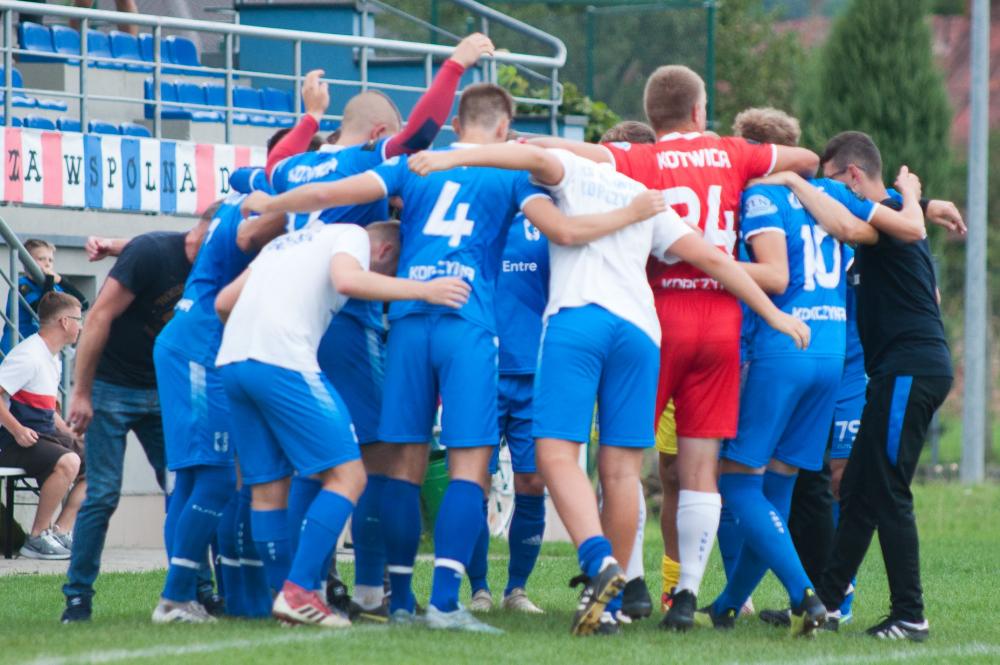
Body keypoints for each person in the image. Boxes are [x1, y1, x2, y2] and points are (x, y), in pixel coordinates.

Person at [243, 83, 679, 634]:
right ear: (505, 127)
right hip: (466, 320)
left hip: (408, 322)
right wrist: (633, 212)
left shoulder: (413, 165)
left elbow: (333, 192)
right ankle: (449, 601)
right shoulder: (510, 175)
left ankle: (398, 598)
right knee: (470, 468)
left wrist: (273, 203)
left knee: (401, 465)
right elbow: (565, 231)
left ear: (455, 124)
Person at [406, 140, 810, 635]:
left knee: (556, 456)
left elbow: (531, 157)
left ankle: (601, 563)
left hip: (580, 319)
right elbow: (716, 260)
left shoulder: (574, 172)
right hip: (640, 333)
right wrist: (774, 314)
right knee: (621, 472)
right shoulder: (644, 193)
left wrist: (453, 157)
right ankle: (611, 608)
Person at [527, 65, 820, 629]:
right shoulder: (734, 152)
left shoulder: (641, 158)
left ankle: (631, 583)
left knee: (624, 458)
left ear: (651, 114)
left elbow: (572, 153)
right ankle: (686, 594)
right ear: (699, 111)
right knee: (700, 468)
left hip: (660, 314)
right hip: (721, 317)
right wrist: (775, 173)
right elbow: (806, 158)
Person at [247, 34, 494, 619]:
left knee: (311, 456)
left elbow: (271, 169)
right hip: (346, 315)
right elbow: (423, 132)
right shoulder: (367, 161)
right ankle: (366, 589)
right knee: (381, 455)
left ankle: (300, 584)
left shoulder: (292, 167)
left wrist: (310, 117)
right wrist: (456, 64)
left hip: (289, 321)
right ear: (381, 134)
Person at [693, 107, 921, 637]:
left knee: (737, 484)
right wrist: (923, 202)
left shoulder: (759, 196)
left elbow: (774, 277)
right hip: (831, 352)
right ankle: (728, 604)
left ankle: (807, 596)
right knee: (777, 488)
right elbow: (877, 226)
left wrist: (701, 259)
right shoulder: (831, 193)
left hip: (782, 349)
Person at [213, 221, 470, 628]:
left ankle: (285, 599)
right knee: (349, 476)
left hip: (233, 361)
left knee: (267, 490)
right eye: (391, 273)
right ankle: (299, 591)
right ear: (384, 253)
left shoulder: (285, 243)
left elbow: (224, 302)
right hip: (284, 361)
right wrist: (424, 289)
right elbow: (348, 280)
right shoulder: (352, 235)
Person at [777, 131, 954, 642]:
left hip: (909, 370)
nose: (827, 188)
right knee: (857, 488)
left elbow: (852, 222)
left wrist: (794, 180)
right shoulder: (894, 208)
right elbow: (898, 211)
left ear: (852, 176)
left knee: (888, 489)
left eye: (831, 179)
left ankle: (910, 614)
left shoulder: (888, 215)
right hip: (900, 371)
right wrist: (925, 199)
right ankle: (829, 603)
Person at [61, 219, 209, 623]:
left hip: (163, 388)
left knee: (186, 486)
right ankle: (77, 598)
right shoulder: (153, 251)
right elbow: (97, 318)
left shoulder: (213, 255)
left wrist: (113, 244)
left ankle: (198, 589)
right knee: (103, 494)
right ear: (204, 232)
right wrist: (81, 392)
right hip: (110, 386)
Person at [465, 208, 549, 616]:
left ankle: (516, 589)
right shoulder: (477, 215)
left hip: (537, 370)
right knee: (473, 480)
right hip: (481, 369)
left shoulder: (548, 217)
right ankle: (478, 588)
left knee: (532, 480)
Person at [0, 292, 84, 559]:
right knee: (69, 462)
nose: (81, 326)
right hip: (11, 442)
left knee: (100, 460)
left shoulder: (52, 356)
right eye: (78, 319)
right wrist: (17, 430)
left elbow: (46, 410)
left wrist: (71, 433)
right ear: (64, 322)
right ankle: (36, 537)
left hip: (43, 436)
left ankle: (60, 532)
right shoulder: (29, 355)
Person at [2, 239, 88, 354]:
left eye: (50, 260)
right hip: (16, 346)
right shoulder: (22, 285)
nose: (47, 264)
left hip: (39, 347)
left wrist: (61, 281)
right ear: (27, 261)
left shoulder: (53, 286)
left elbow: (83, 304)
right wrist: (49, 280)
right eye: (41, 259)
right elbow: (42, 311)